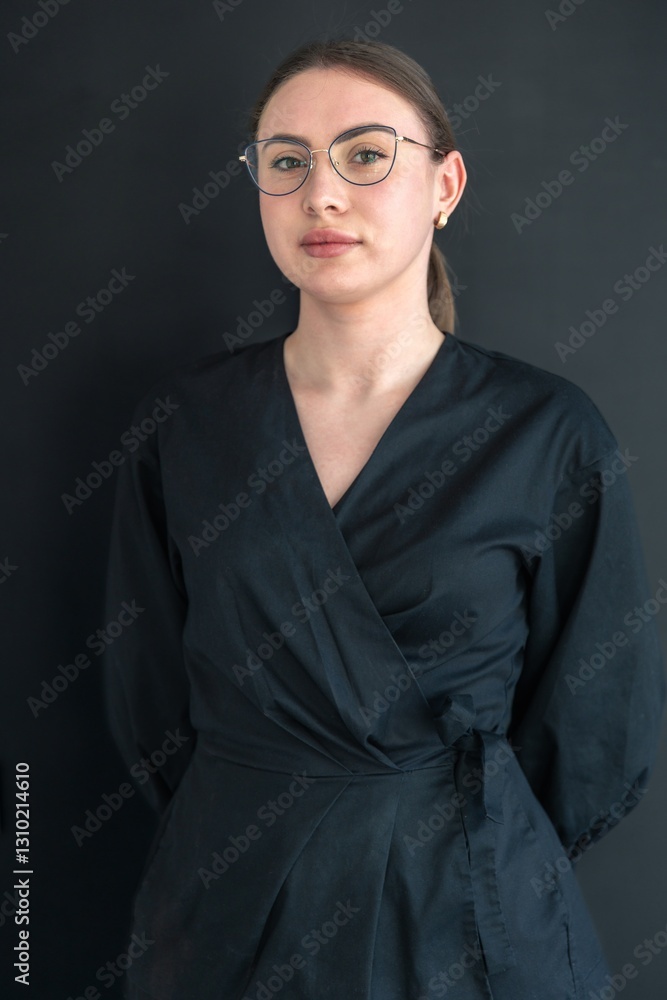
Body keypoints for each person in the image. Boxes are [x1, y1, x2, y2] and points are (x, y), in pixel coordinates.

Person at [103, 37, 665, 1000]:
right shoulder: (186, 427)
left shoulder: (545, 431)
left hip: (469, 921)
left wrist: (453, 842)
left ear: (444, 185)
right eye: (286, 161)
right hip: (225, 910)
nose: (321, 194)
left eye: (364, 155)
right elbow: (146, 699)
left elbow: (595, 730)